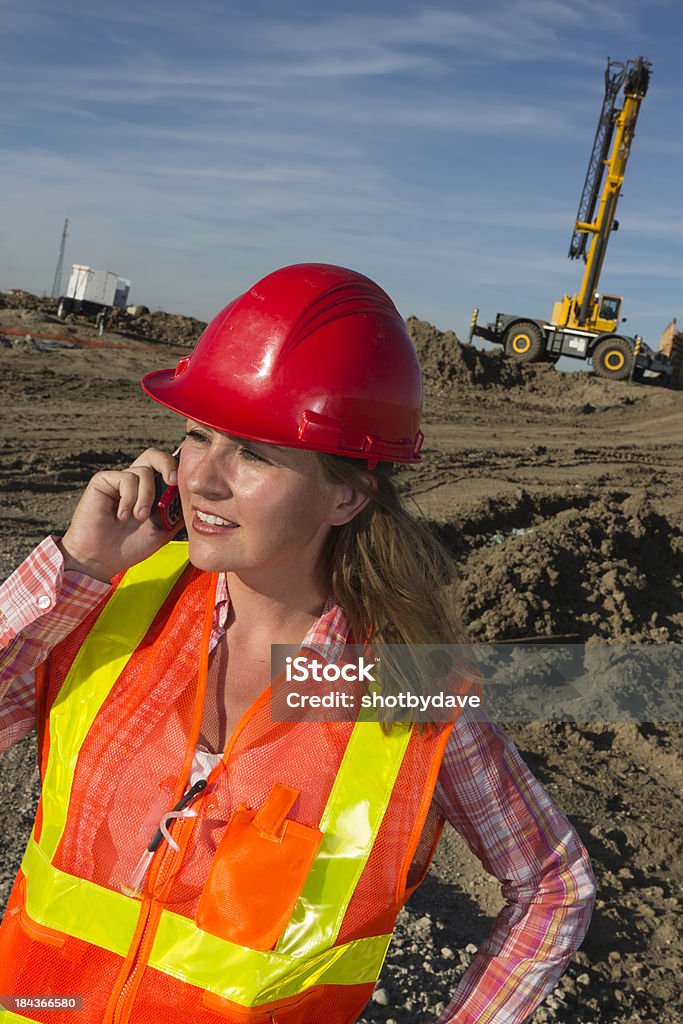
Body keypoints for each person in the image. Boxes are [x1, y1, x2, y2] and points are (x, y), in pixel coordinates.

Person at [0, 263, 595, 1024]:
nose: (204, 479)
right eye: (196, 435)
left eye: (254, 452)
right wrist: (77, 567)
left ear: (346, 493)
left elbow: (552, 884)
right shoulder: (112, 603)